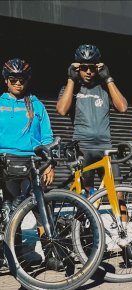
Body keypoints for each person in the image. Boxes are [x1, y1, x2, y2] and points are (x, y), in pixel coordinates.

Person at [55, 44, 132, 260]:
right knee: (87, 197)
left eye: (92, 67)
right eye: (83, 67)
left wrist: (109, 78)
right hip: (82, 148)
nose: (88, 72)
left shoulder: (104, 87)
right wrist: (70, 79)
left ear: (98, 67)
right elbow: (62, 110)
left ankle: (126, 243)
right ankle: (86, 242)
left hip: (106, 148)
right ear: (77, 68)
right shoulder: (72, 88)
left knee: (118, 195)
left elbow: (122, 107)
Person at [0, 58, 54, 266]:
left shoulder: (36, 104)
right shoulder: (1, 103)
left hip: (33, 162)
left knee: (42, 210)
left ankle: (51, 255)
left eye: (22, 79)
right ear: (6, 81)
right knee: (11, 212)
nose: (18, 83)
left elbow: (47, 137)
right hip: (5, 163)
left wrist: (49, 163)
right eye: (13, 79)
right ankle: (17, 258)